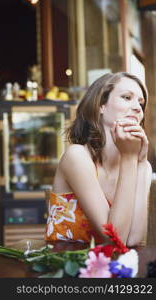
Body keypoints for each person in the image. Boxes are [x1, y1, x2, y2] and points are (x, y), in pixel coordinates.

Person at [45, 72, 152, 247]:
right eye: (127, 97)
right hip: (65, 268)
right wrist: (129, 158)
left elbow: (133, 240)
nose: (138, 108)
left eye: (141, 103)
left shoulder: (141, 165)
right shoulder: (77, 156)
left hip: (114, 270)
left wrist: (138, 163)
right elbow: (113, 240)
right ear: (101, 105)